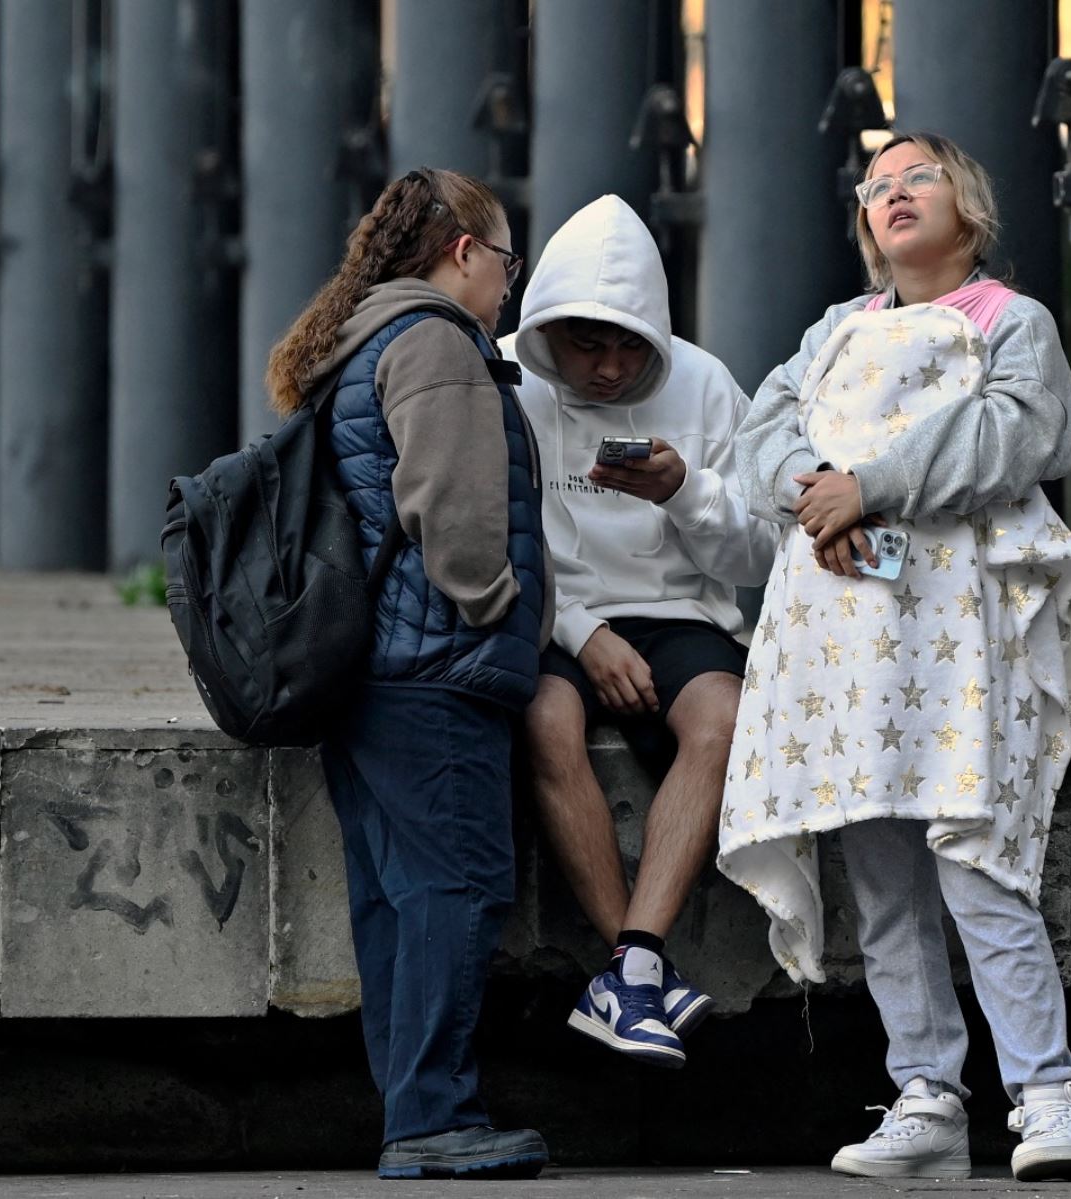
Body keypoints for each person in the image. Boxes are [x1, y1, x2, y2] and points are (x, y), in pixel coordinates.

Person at [719, 132, 1071, 1183]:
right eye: (876, 186)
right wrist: (818, 489)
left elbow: (1023, 433)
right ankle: (926, 1095)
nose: (892, 193)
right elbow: (763, 431)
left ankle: (1049, 1091)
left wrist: (872, 483)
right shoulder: (834, 331)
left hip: (956, 636)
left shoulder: (1010, 322)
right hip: (846, 640)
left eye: (916, 177)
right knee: (882, 873)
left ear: (970, 209)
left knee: (977, 854)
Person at [263, 168, 551, 1181]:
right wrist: (496, 606)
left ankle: (414, 1114)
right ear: (463, 250)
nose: (511, 286)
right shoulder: (433, 339)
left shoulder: (358, 336)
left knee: (395, 896)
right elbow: (453, 511)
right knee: (457, 885)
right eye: (508, 260)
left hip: (370, 669)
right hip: (434, 665)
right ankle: (434, 1116)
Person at [501, 195, 777, 1067]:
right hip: (552, 614)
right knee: (545, 715)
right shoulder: (505, 379)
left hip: (679, 612)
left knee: (726, 719)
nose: (612, 370)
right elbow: (494, 539)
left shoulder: (702, 381)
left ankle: (633, 963)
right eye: (589, 346)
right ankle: (642, 974)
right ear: (549, 331)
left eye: (631, 347)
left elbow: (763, 547)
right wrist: (582, 633)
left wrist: (683, 492)